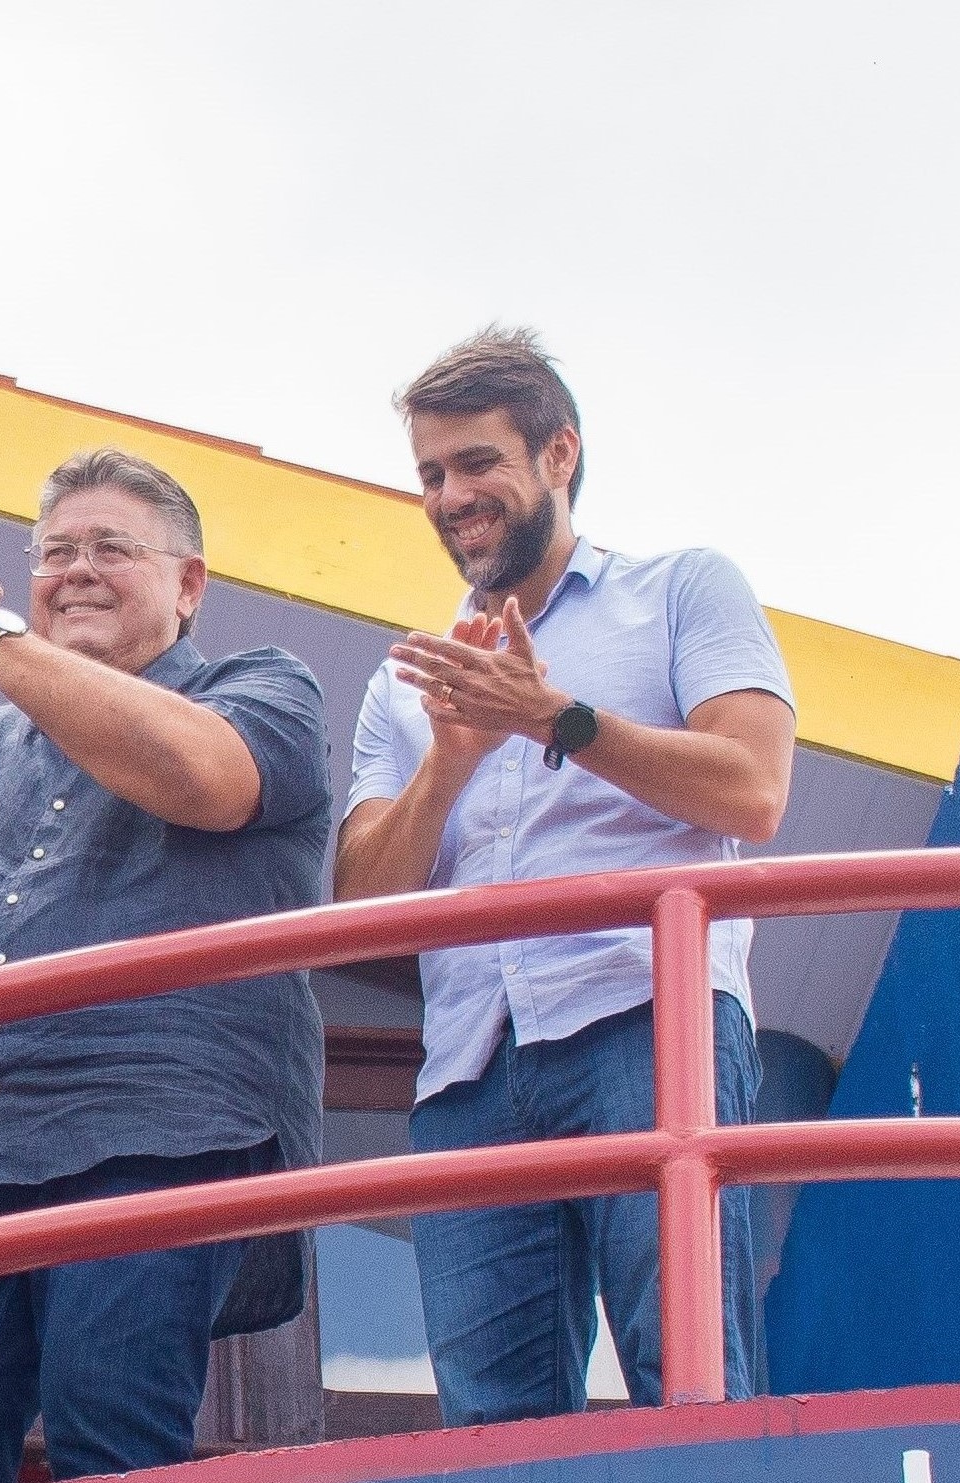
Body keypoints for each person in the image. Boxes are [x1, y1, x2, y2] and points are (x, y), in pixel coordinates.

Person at [0, 447, 328, 1483]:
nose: (76, 571)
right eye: (54, 552)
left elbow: (203, 776)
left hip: (158, 1130)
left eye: (112, 547)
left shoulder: (265, 686)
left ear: (188, 585)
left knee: (107, 1416)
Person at [336, 326, 796, 1423]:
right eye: (430, 474)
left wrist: (555, 719)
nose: (451, 494)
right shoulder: (406, 681)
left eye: (476, 462)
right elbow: (359, 907)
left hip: (645, 1019)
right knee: (491, 1426)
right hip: (468, 1070)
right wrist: (447, 764)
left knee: (684, 1369)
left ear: (557, 455)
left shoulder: (682, 589)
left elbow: (752, 790)